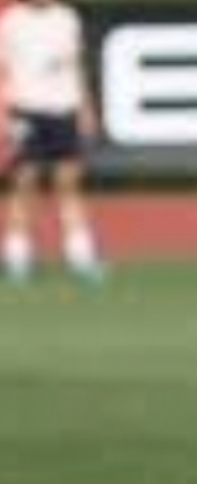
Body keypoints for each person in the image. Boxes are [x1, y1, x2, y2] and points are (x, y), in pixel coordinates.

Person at [0, 0, 103, 282]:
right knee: (23, 183)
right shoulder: (12, 21)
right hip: (27, 109)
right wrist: (4, 114)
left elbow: (74, 65)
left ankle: (80, 255)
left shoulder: (66, 17)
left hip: (63, 108)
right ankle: (16, 255)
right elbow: (3, 70)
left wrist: (86, 107)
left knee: (68, 183)